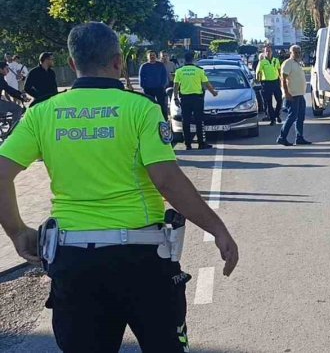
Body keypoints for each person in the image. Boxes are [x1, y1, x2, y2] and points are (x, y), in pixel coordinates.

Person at [0, 22, 238, 352]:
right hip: (142, 260)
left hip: (73, 263)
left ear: (72, 64)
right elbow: (167, 181)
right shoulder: (140, 109)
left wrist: (16, 231)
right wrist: (217, 229)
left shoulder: (41, 114)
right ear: (118, 62)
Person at [174, 51, 218, 150]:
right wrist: (213, 93)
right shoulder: (199, 70)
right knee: (199, 121)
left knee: (186, 121)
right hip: (197, 99)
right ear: (193, 59)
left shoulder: (179, 71)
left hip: (185, 99)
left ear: (184, 60)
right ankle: (201, 143)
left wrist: (175, 98)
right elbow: (206, 84)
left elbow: (176, 86)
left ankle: (188, 144)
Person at [276, 45, 311, 146]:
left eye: (299, 52)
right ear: (291, 53)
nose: (298, 54)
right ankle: (282, 137)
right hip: (292, 95)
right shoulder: (288, 63)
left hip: (300, 95)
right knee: (292, 117)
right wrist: (286, 93)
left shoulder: (297, 63)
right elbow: (283, 79)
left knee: (300, 117)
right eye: (296, 52)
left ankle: (299, 137)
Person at [256, 46, 282, 126]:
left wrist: (281, 80)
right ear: (264, 52)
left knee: (279, 100)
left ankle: (277, 114)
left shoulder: (276, 60)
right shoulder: (262, 62)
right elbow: (258, 72)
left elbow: (279, 70)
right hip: (266, 83)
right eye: (266, 51)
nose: (268, 52)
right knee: (269, 102)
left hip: (275, 82)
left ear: (272, 52)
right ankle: (272, 119)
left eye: (269, 51)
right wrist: (259, 80)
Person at [139, 51, 169, 117]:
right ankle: (151, 118)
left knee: (161, 105)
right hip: (148, 89)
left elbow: (164, 76)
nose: (152, 56)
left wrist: (162, 85)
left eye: (153, 55)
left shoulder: (160, 65)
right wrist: (143, 87)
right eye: (150, 55)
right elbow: (141, 77)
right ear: (147, 57)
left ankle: (164, 118)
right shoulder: (144, 66)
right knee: (149, 105)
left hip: (159, 89)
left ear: (156, 56)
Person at [0, 62, 26, 129]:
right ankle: (14, 130)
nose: (8, 71)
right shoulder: (0, 79)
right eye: (6, 69)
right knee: (17, 108)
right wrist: (21, 97)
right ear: (0, 69)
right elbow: (9, 90)